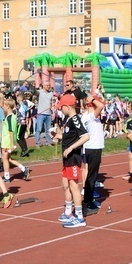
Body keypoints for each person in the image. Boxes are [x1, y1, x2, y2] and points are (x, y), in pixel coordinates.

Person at [54, 94, 89, 228]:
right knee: (65, 183)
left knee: (74, 185)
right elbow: (70, 136)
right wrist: (59, 136)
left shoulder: (75, 120)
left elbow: (85, 136)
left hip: (73, 158)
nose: (60, 109)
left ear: (68, 107)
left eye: (61, 107)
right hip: (67, 158)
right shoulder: (68, 120)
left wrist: (71, 148)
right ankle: (68, 211)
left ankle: (79, 217)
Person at [80, 95, 105, 214]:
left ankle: (89, 199)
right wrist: (92, 100)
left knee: (92, 176)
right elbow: (101, 106)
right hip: (93, 148)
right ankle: (88, 202)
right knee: (92, 176)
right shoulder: (90, 116)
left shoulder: (89, 116)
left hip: (92, 148)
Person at [0, 98, 30, 182]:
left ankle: (6, 176)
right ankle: (23, 169)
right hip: (7, 140)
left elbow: (11, 131)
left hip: (7, 141)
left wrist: (12, 145)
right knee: (8, 158)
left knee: (5, 159)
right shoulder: (12, 116)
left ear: (8, 106)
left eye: (4, 106)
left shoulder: (10, 117)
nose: (3, 108)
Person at [34, 81, 54, 146]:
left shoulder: (51, 93)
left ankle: (48, 142)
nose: (49, 87)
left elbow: (52, 103)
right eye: (47, 85)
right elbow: (34, 92)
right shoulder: (39, 92)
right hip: (41, 113)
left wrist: (52, 112)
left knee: (48, 129)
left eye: (49, 85)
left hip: (48, 114)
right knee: (39, 129)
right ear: (43, 86)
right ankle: (38, 143)